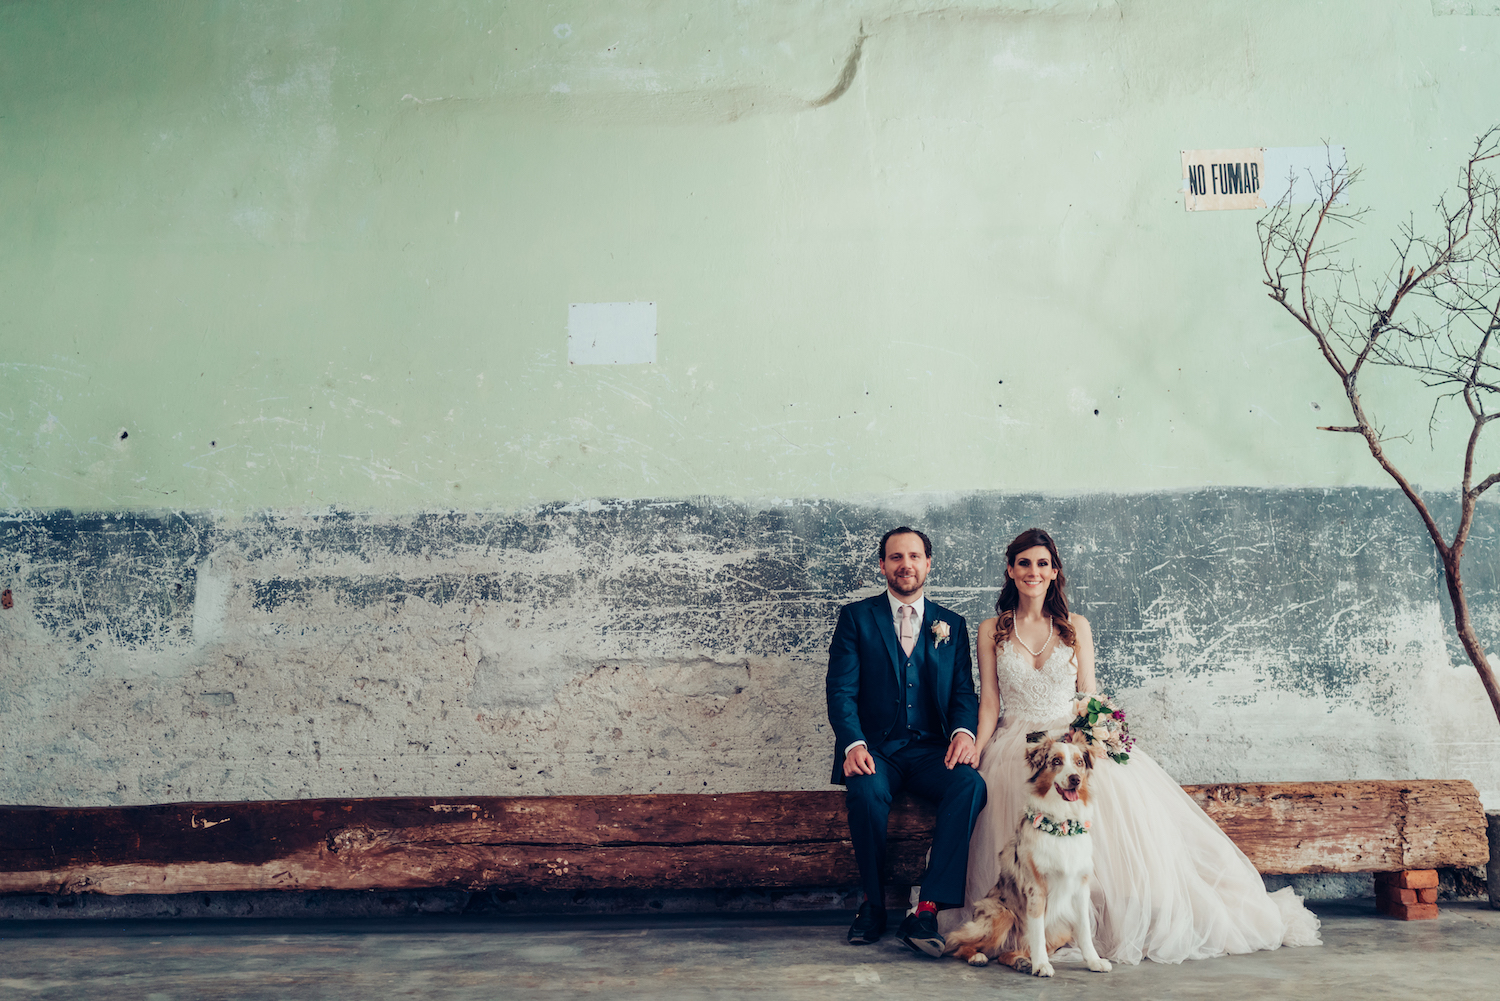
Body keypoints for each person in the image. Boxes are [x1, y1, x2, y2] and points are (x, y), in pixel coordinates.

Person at [951, 527, 1322, 965]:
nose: (1034, 571)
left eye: (1043, 564)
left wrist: (1092, 733)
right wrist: (977, 745)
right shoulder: (992, 629)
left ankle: (1091, 926)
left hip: (1070, 742)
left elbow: (1087, 693)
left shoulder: (1075, 628)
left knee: (1107, 828)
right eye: (1025, 563)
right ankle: (1021, 935)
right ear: (1011, 571)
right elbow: (990, 702)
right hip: (1019, 744)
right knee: (1019, 849)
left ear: (1055, 573)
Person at [826, 526, 989, 955]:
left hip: (930, 751)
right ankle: (873, 904)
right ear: (882, 565)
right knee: (865, 791)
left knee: (970, 784)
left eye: (914, 556)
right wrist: (853, 745)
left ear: (927, 563)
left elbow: (962, 692)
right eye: (896, 557)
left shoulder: (950, 624)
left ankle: (928, 910)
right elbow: (840, 691)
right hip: (877, 750)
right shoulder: (856, 618)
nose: (906, 565)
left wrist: (963, 734)